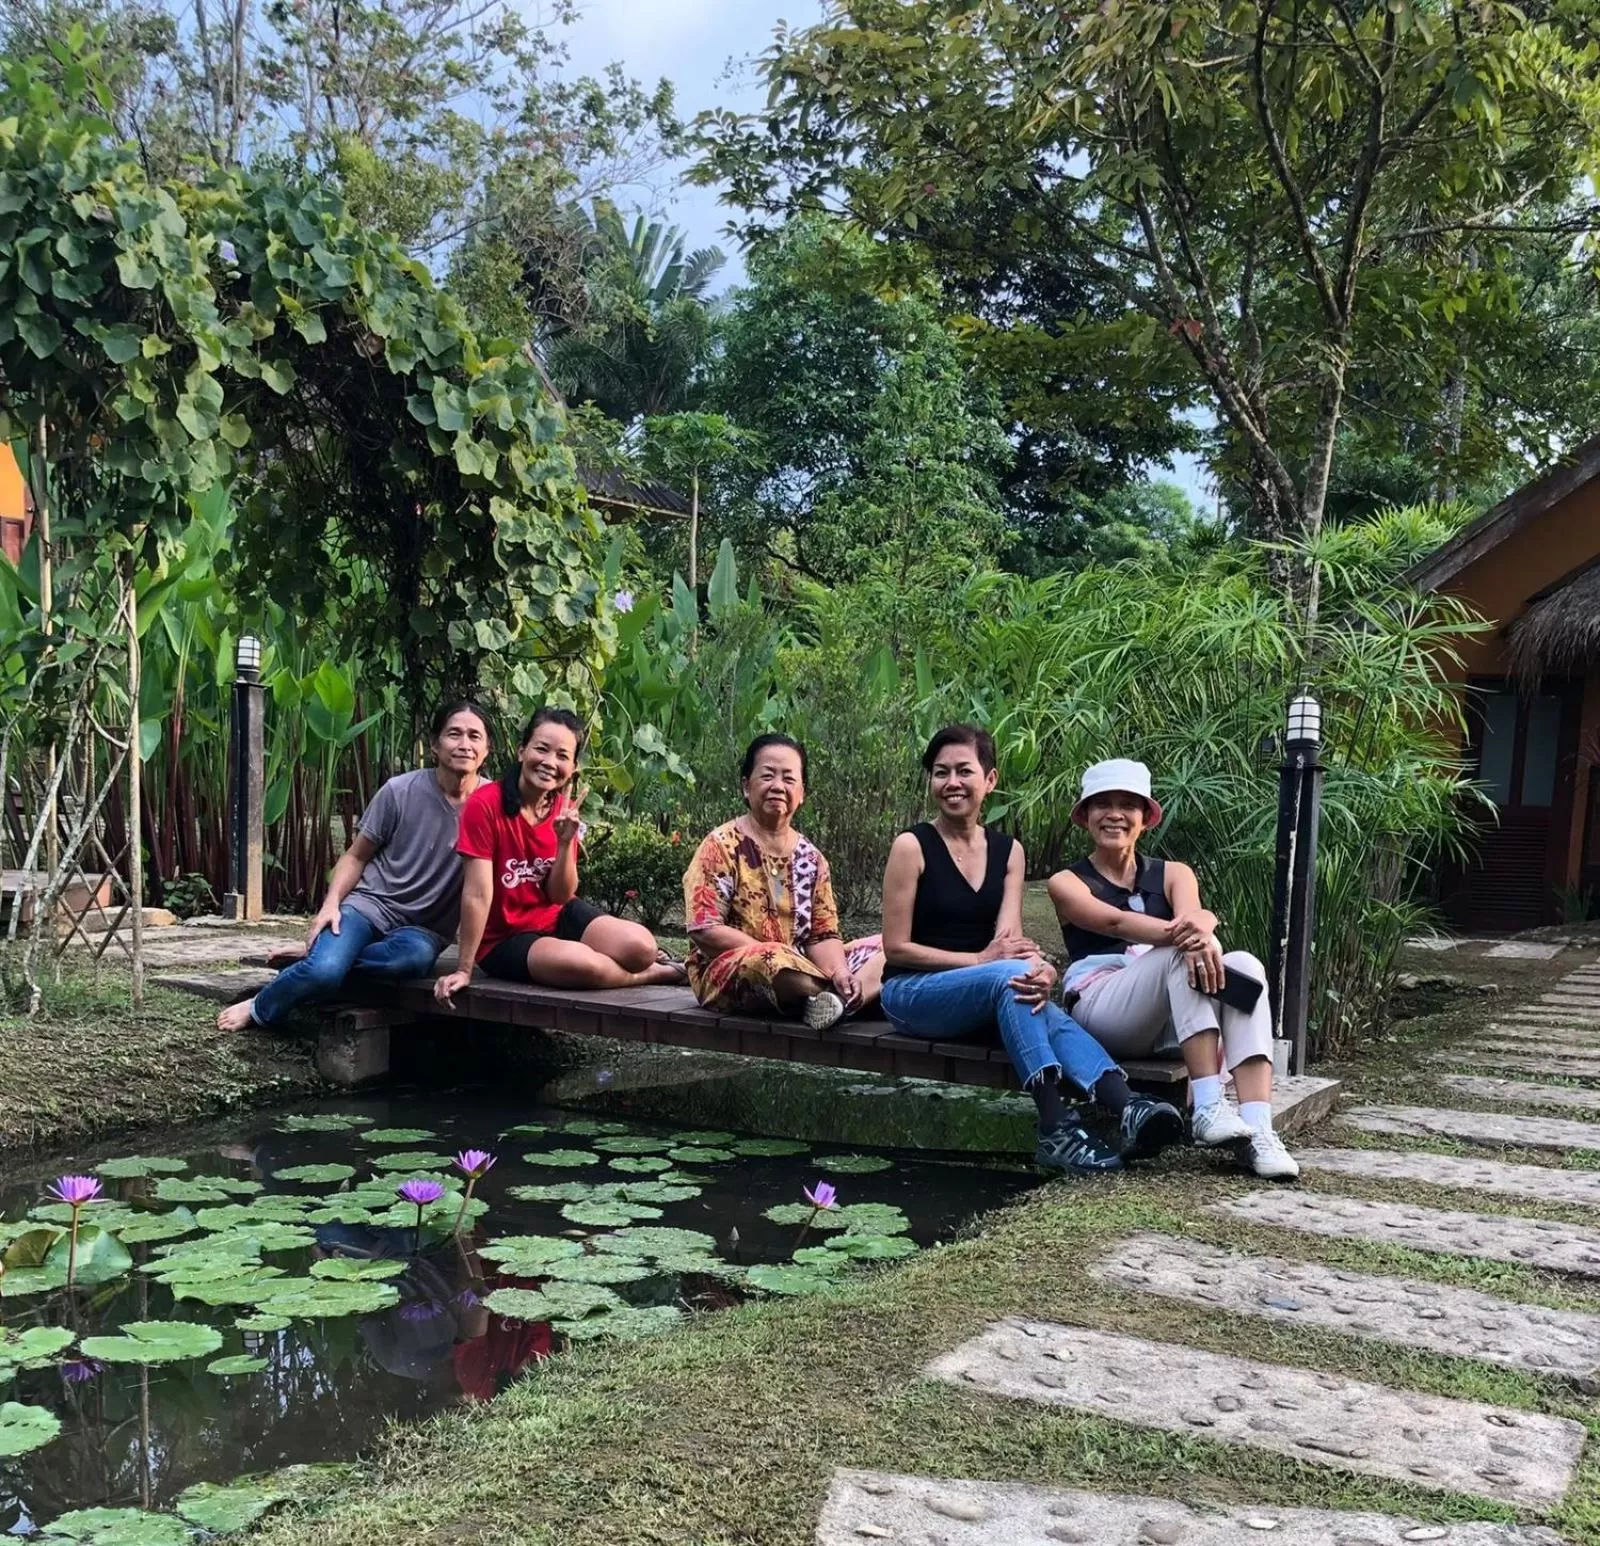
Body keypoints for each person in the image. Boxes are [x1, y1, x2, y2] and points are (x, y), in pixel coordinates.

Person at [879, 724, 1185, 1176]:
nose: (952, 783)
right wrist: (980, 960)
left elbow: (1012, 945)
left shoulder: (1009, 852)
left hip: (982, 991)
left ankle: (1129, 1107)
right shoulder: (912, 846)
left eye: (964, 771)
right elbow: (896, 948)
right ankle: (1055, 1125)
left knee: (1025, 985)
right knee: (1009, 979)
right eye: (941, 773)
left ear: (990, 780)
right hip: (912, 993)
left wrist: (1043, 970)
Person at [1046, 758, 1299, 1180]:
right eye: (1102, 804)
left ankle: (1258, 1129)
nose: (1114, 814)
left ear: (1145, 817)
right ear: (1085, 816)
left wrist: (1204, 923)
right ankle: (1208, 1105)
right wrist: (1200, 927)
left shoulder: (1174, 873)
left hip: (1174, 1018)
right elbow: (1116, 923)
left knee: (1245, 966)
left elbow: (1192, 918)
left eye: (1128, 805)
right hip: (1104, 1009)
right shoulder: (1067, 882)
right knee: (1179, 952)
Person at [217, 700, 492, 1032]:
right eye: (454, 734)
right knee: (324, 972)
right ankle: (262, 1004)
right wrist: (330, 904)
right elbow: (356, 855)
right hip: (368, 907)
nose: (464, 744)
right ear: (434, 744)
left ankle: (319, 958)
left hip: (423, 930)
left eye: (474, 736)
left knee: (410, 961)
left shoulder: (493, 806)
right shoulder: (400, 791)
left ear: (486, 749)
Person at [433, 707, 684, 1002]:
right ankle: (656, 974)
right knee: (584, 965)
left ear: (573, 766)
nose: (550, 762)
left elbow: (561, 896)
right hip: (503, 937)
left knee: (641, 947)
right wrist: (464, 969)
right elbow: (477, 894)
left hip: (555, 915)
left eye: (562, 755)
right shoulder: (485, 804)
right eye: (542, 749)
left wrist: (565, 843)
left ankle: (641, 964)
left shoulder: (562, 810)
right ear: (522, 751)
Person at [684, 734, 885, 1028]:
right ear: (746, 786)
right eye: (767, 776)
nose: (778, 786)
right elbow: (705, 930)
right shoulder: (720, 846)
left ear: (801, 793)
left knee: (889, 948)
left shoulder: (812, 858)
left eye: (789, 778)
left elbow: (822, 936)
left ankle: (834, 998)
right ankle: (841, 999)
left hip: (803, 965)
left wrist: (840, 972)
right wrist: (781, 955)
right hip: (732, 969)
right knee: (771, 959)